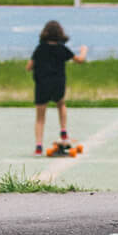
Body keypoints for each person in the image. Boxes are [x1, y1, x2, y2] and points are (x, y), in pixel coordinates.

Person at [26, 20, 89, 154]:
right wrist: (84, 51)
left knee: (40, 117)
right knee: (61, 104)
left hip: (42, 85)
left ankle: (38, 146)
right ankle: (63, 131)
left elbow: (29, 67)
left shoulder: (40, 48)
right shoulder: (62, 48)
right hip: (58, 83)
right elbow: (79, 60)